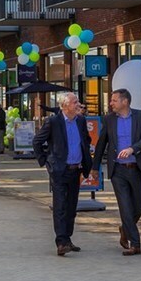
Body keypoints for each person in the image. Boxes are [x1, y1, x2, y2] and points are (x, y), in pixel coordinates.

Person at [93, 89, 141, 256]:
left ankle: (125, 229)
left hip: (136, 168)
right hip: (118, 170)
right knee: (125, 208)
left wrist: (132, 149)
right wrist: (94, 167)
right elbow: (101, 144)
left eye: (114, 100)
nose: (111, 103)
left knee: (138, 208)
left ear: (125, 101)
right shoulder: (109, 119)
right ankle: (135, 244)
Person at [34, 92, 92, 256]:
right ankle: (61, 242)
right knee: (60, 206)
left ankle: (67, 238)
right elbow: (37, 141)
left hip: (76, 169)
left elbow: (85, 139)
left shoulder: (80, 120)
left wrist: (85, 156)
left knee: (71, 206)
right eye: (75, 102)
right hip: (59, 170)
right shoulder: (53, 121)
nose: (78, 104)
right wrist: (46, 161)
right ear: (65, 105)